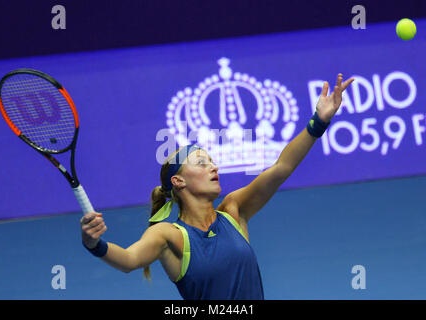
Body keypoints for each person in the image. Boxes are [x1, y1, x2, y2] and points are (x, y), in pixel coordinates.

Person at [81, 74, 354, 299]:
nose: (214, 167)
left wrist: (319, 122)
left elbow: (281, 168)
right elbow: (129, 260)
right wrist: (94, 243)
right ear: (179, 181)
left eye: (212, 161)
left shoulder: (234, 210)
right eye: (201, 163)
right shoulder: (168, 235)